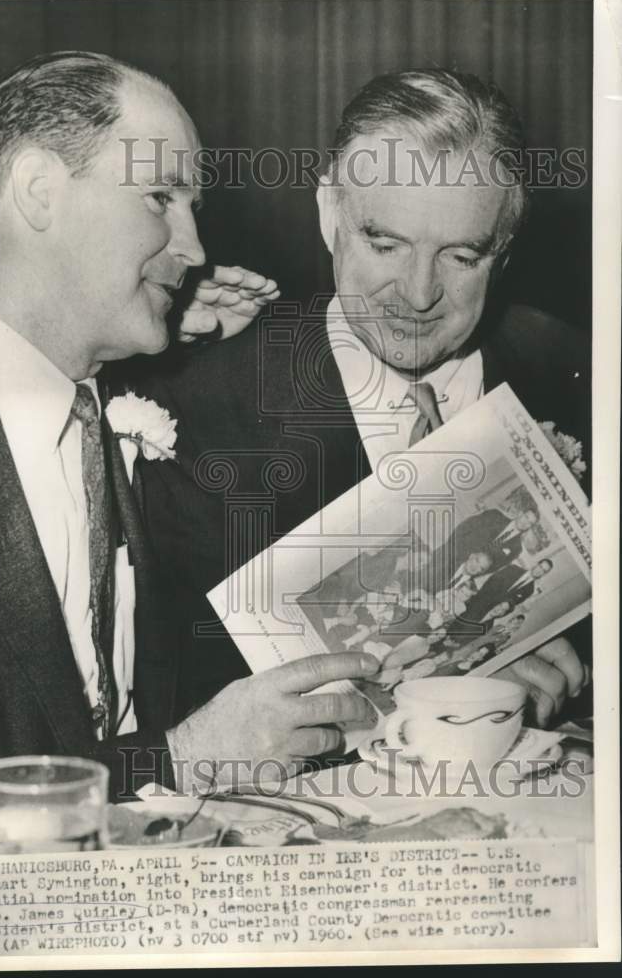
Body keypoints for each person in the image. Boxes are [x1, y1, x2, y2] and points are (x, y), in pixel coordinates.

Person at [0, 51, 380, 846]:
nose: (195, 249)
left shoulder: (131, 390)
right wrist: (183, 759)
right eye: (161, 197)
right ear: (37, 192)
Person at [137, 68, 591, 726]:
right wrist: (458, 673)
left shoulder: (580, 372)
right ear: (330, 213)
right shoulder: (199, 411)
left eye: (463, 256)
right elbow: (185, 715)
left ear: (507, 249)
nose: (416, 294)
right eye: (385, 243)